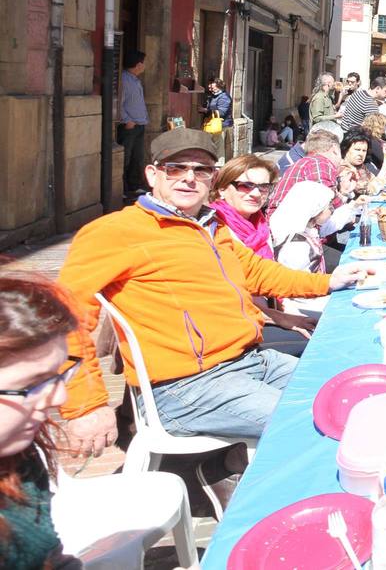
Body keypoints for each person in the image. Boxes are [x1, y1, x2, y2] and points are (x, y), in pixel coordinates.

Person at [57, 128, 368, 467]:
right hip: (185, 386)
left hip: (247, 360)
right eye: (175, 168)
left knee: (348, 391)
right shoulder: (116, 232)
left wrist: (328, 282)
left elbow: (258, 272)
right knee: (318, 423)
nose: (189, 178)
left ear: (212, 178)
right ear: (152, 174)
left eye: (200, 169)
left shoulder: (212, 225)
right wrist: (85, 405)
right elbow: (63, 317)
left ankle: (233, 467)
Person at [0, 275, 83, 570]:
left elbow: (50, 557)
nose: (60, 397)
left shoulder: (18, 456)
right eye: (32, 384)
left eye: (58, 374)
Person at [209, 156, 317, 350]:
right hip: (237, 324)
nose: (256, 193)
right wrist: (279, 317)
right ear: (222, 189)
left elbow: (271, 274)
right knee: (317, 343)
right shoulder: (215, 228)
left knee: (326, 325)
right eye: (245, 186)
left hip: (266, 309)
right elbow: (231, 297)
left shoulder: (258, 223)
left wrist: (286, 306)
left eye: (263, 187)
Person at [267, 129, 348, 220]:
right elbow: (328, 197)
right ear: (334, 149)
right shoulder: (320, 163)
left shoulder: (307, 162)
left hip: (283, 220)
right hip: (287, 224)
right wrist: (346, 203)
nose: (341, 160)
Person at [268, 181, 334, 274]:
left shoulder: (307, 229)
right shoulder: (297, 247)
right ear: (315, 210)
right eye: (328, 206)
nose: (331, 209)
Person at [118, 49, 149, 198]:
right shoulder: (124, 80)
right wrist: (126, 120)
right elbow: (119, 103)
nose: (144, 66)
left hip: (139, 124)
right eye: (143, 63)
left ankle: (135, 186)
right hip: (130, 126)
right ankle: (122, 189)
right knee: (125, 158)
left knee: (137, 157)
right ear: (138, 64)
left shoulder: (135, 80)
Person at [203, 78, 233, 155]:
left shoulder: (224, 97)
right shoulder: (214, 96)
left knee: (218, 148)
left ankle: (219, 165)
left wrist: (206, 111)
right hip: (212, 124)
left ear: (218, 86)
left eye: (212, 85)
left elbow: (222, 112)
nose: (209, 86)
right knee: (214, 146)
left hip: (220, 125)